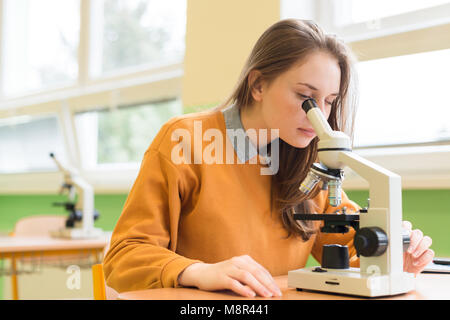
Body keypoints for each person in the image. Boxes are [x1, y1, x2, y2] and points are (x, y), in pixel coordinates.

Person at [103, 19, 434, 298]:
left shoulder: (309, 164)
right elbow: (123, 258)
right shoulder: (185, 141)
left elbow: (348, 255)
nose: (320, 114)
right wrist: (198, 271)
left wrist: (394, 256)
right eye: (306, 97)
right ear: (258, 84)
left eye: (330, 101)